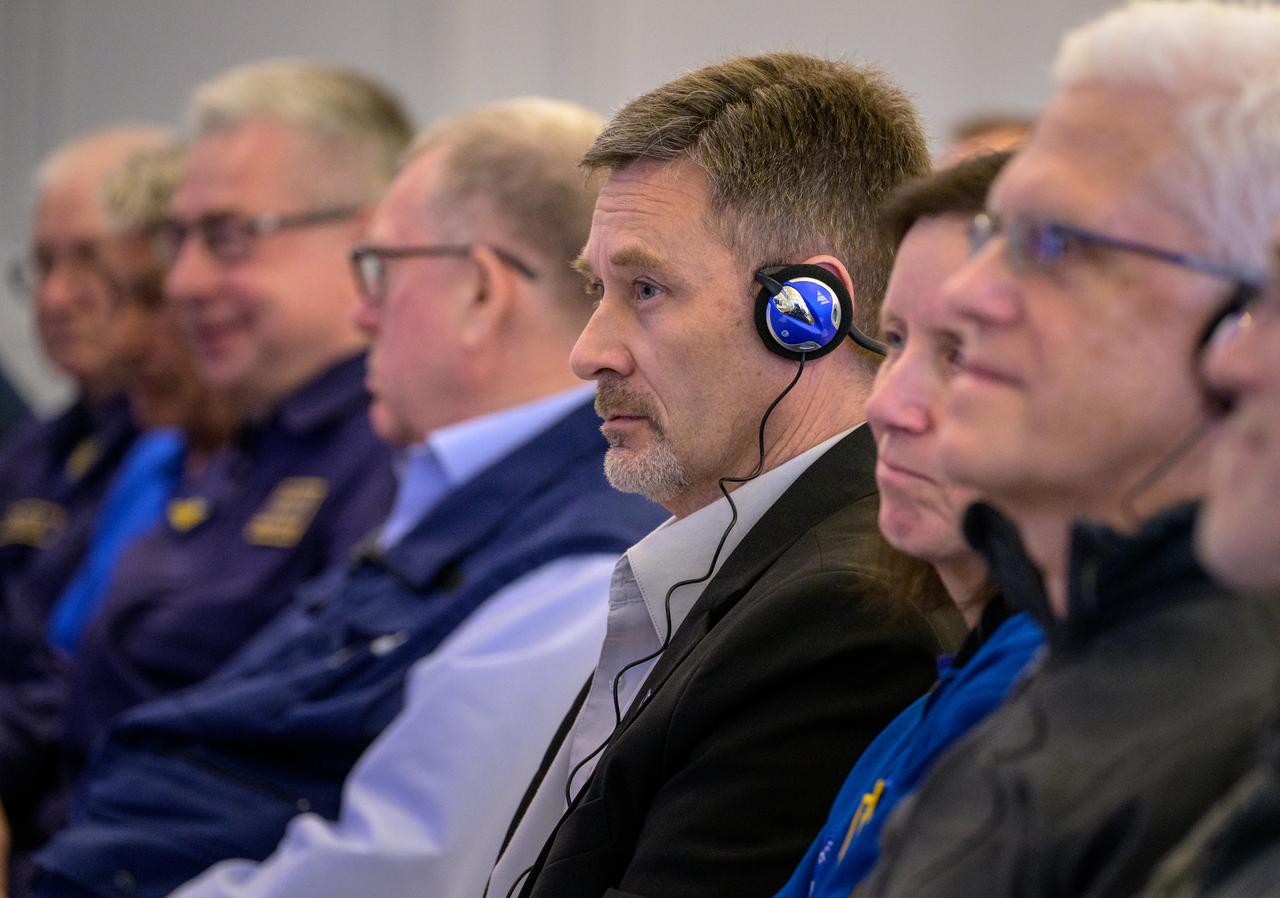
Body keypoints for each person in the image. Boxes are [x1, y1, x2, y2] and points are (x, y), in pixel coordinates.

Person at [30, 97, 666, 898]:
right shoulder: (455, 491)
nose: (362, 313)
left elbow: (393, 873)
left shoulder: (572, 569)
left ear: (479, 293)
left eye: (379, 269)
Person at [489, 52, 960, 898]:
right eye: (596, 287)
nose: (587, 351)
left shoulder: (847, 616)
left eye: (646, 289)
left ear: (807, 313)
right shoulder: (757, 563)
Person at [858, 4, 1280, 896]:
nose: (972, 295)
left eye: (1052, 242)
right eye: (993, 236)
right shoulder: (1075, 652)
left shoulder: (1217, 731)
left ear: (1242, 307)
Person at [0, 59, 410, 886]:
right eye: (176, 244)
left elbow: (296, 787)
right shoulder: (239, 450)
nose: (184, 285)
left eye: (227, 239)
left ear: (367, 239)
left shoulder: (394, 459)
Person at [774, 152, 1044, 898]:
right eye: (893, 341)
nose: (885, 405)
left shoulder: (1032, 696)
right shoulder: (941, 695)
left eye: (959, 353)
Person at [0, 128, 170, 605]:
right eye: (43, 263)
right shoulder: (32, 450)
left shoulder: (193, 450)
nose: (54, 298)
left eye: (89, 262)